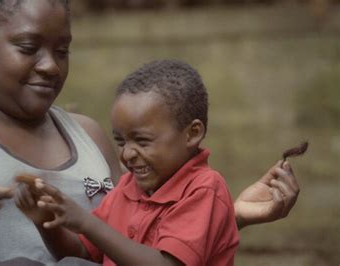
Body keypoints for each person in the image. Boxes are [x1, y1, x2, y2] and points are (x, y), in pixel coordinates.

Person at [0, 0, 299, 265]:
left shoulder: (90, 135)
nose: (50, 65)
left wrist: (230, 216)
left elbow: (140, 239)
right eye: (27, 47)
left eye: (62, 50)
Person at [17, 59, 239, 266]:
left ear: (192, 134)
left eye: (142, 141)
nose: (128, 154)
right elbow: (83, 253)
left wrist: (87, 223)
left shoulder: (204, 188)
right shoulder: (127, 188)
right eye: (121, 141)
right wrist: (46, 221)